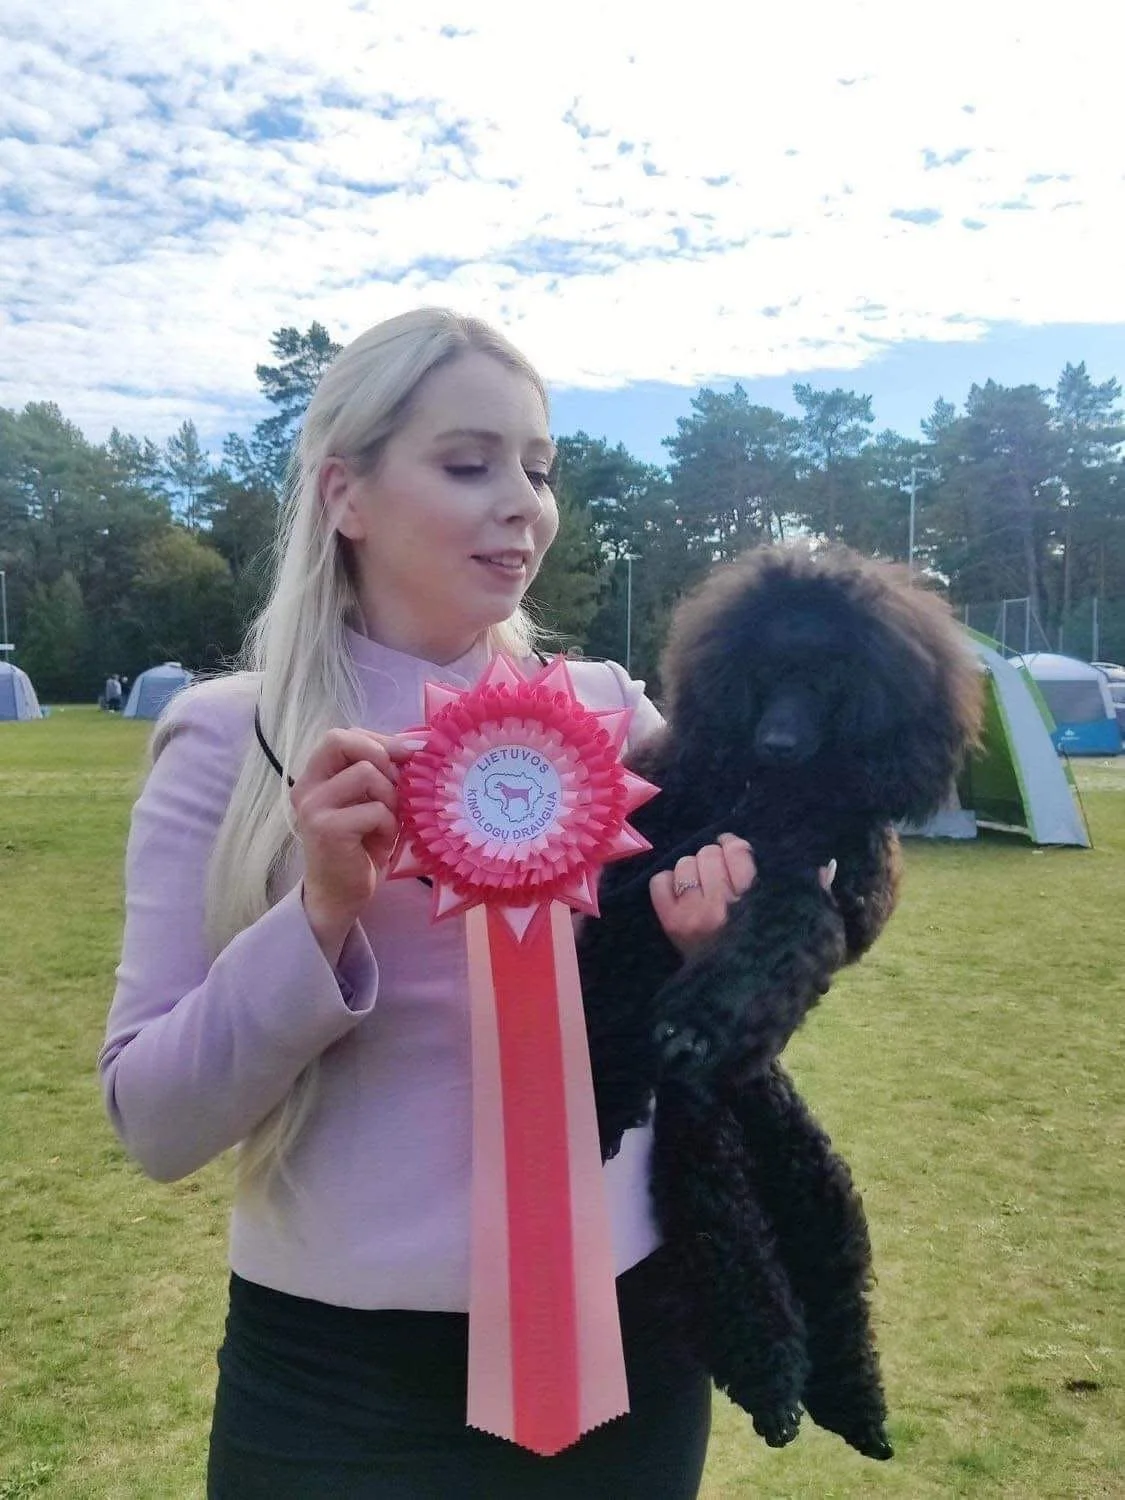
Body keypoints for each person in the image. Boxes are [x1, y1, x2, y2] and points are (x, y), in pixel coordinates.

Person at [99, 309, 761, 1499]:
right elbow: (154, 1125)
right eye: (470, 464)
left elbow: (732, 996)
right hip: (339, 1393)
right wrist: (315, 917)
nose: (526, 504)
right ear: (344, 493)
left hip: (631, 1358)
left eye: (539, 469)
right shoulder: (223, 737)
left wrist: (721, 953)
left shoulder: (623, 720)